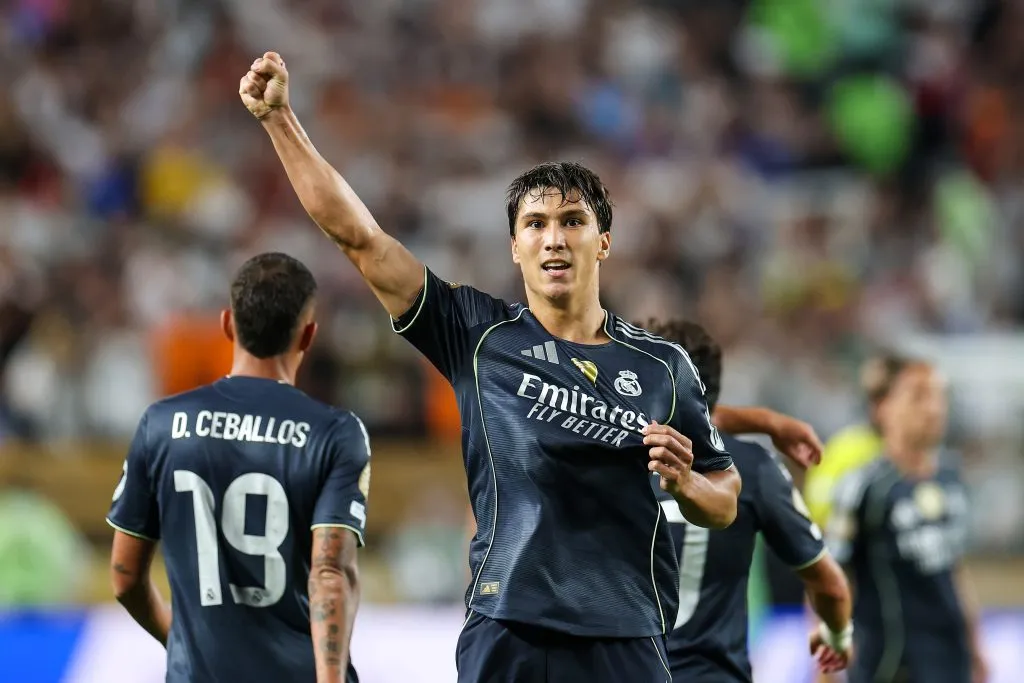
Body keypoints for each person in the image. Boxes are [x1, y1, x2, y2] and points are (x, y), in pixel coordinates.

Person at [240, 51, 747, 682]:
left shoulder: (662, 366)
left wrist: (688, 485)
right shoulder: (477, 334)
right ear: (515, 246)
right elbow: (359, 238)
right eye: (536, 224)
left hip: (626, 636)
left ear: (604, 242)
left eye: (573, 221)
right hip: (508, 628)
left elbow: (725, 496)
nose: (554, 238)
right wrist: (280, 119)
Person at [106, 253, 369, 683]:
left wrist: (182, 644)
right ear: (308, 335)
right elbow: (330, 573)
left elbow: (124, 577)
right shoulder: (335, 433)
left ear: (228, 325)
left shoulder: (162, 424)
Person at [645, 319, 853, 682]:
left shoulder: (604, 456)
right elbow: (830, 586)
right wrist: (837, 635)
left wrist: (765, 421)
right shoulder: (753, 468)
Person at [824, 358, 988, 683]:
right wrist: (827, 661)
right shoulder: (863, 488)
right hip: (891, 665)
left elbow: (953, 569)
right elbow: (830, 576)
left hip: (951, 662)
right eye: (918, 396)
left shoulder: (951, 478)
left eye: (939, 396)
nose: (934, 409)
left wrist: (975, 646)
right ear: (884, 407)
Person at [803, 352, 909, 529]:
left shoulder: (920, 457)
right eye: (874, 397)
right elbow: (818, 513)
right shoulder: (844, 449)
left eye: (887, 395)